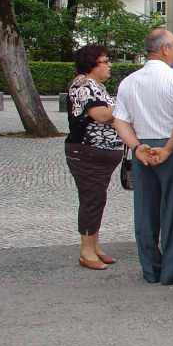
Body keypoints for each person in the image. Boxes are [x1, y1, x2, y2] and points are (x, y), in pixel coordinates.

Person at [112, 29, 173, 285]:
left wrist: (136, 147)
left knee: (144, 211)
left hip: (141, 148)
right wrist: (168, 148)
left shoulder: (129, 82)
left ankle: (150, 268)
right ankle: (172, 270)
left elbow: (120, 120)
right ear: (165, 49)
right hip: (171, 147)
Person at [64, 44, 125, 270]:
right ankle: (86, 251)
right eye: (105, 62)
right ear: (91, 64)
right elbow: (100, 114)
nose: (110, 65)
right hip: (86, 151)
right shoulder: (83, 85)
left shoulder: (96, 86)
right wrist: (128, 104)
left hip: (99, 153)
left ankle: (94, 246)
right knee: (91, 199)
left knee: (97, 199)